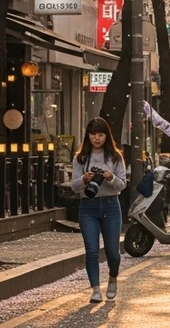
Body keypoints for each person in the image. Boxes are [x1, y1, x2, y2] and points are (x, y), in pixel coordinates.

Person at [69, 117, 128, 303]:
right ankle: (95, 289)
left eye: (101, 134)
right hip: (88, 207)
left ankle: (112, 278)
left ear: (106, 136)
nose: (97, 138)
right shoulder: (81, 158)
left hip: (111, 205)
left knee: (112, 251)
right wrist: (84, 179)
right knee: (92, 251)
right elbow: (74, 187)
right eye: (93, 134)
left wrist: (110, 177)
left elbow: (122, 185)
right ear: (88, 136)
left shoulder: (115, 157)